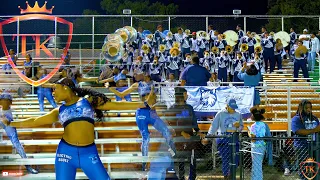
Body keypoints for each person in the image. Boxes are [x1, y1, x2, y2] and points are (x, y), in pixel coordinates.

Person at [3, 78, 155, 180]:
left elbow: (116, 105)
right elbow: (35, 121)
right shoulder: (58, 111)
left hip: (89, 153)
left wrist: (143, 105)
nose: (53, 93)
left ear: (66, 87)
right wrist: (12, 123)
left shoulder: (88, 101)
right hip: (65, 154)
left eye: (55, 89)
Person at [108, 73, 176, 171]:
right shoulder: (137, 85)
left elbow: (153, 102)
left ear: (145, 74)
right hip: (141, 113)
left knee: (166, 131)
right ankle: (144, 164)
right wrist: (110, 88)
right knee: (146, 137)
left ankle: (174, 154)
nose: (136, 74)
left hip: (152, 112)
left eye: (139, 73)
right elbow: (122, 94)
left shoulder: (155, 84)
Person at [202, 99, 243, 180]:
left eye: (234, 108)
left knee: (236, 158)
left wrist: (239, 127)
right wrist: (208, 137)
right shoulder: (220, 114)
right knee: (226, 159)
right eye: (232, 107)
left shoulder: (238, 114)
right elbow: (214, 126)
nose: (233, 109)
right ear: (227, 106)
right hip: (223, 138)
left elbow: (242, 126)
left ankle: (231, 175)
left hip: (234, 137)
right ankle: (226, 176)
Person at [0, 92, 38, 174]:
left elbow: (7, 122)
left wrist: (3, 118)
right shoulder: (2, 111)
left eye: (6, 101)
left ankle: (28, 167)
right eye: (2, 100)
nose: (4, 102)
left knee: (18, 146)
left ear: (10, 102)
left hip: (10, 128)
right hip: (5, 127)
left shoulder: (7, 112)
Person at [291, 100, 320, 180]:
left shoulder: (314, 118)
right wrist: (314, 130)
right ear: (301, 108)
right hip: (302, 147)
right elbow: (298, 131)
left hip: (315, 146)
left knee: (316, 167)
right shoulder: (296, 119)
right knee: (304, 169)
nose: (309, 109)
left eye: (310, 108)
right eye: (306, 108)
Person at [248, 107, 272, 180]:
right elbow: (268, 136)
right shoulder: (265, 125)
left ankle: (257, 178)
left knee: (256, 165)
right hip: (262, 146)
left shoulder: (253, 126)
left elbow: (253, 139)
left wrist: (249, 133)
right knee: (259, 164)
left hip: (255, 147)